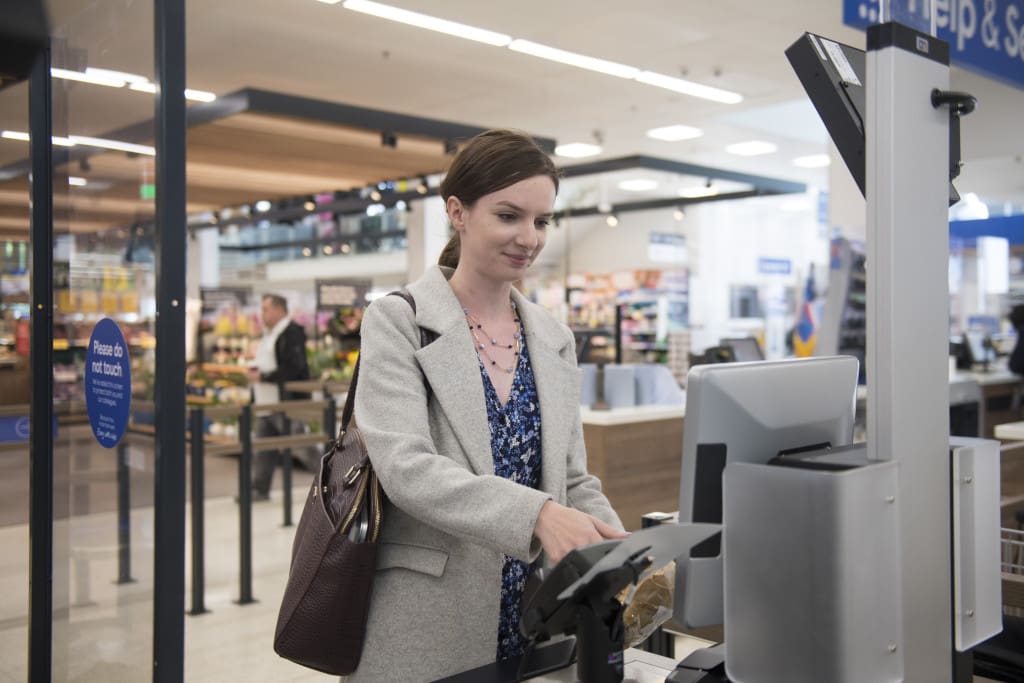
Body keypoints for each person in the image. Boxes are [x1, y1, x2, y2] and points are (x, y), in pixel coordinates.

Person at [348, 129, 627, 682]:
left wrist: (623, 556)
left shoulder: (554, 338)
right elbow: (406, 468)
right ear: (458, 212)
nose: (530, 237)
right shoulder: (400, 321)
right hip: (428, 616)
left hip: (534, 617)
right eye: (508, 216)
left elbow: (572, 479)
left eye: (542, 220)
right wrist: (538, 516)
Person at [249, 293, 309, 500]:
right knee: (263, 449)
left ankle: (335, 481)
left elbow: (294, 367)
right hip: (266, 402)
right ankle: (259, 489)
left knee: (304, 448)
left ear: (279, 310)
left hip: (286, 403)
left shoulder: (291, 333)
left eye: (265, 309)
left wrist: (264, 376)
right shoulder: (270, 334)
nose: (262, 313)